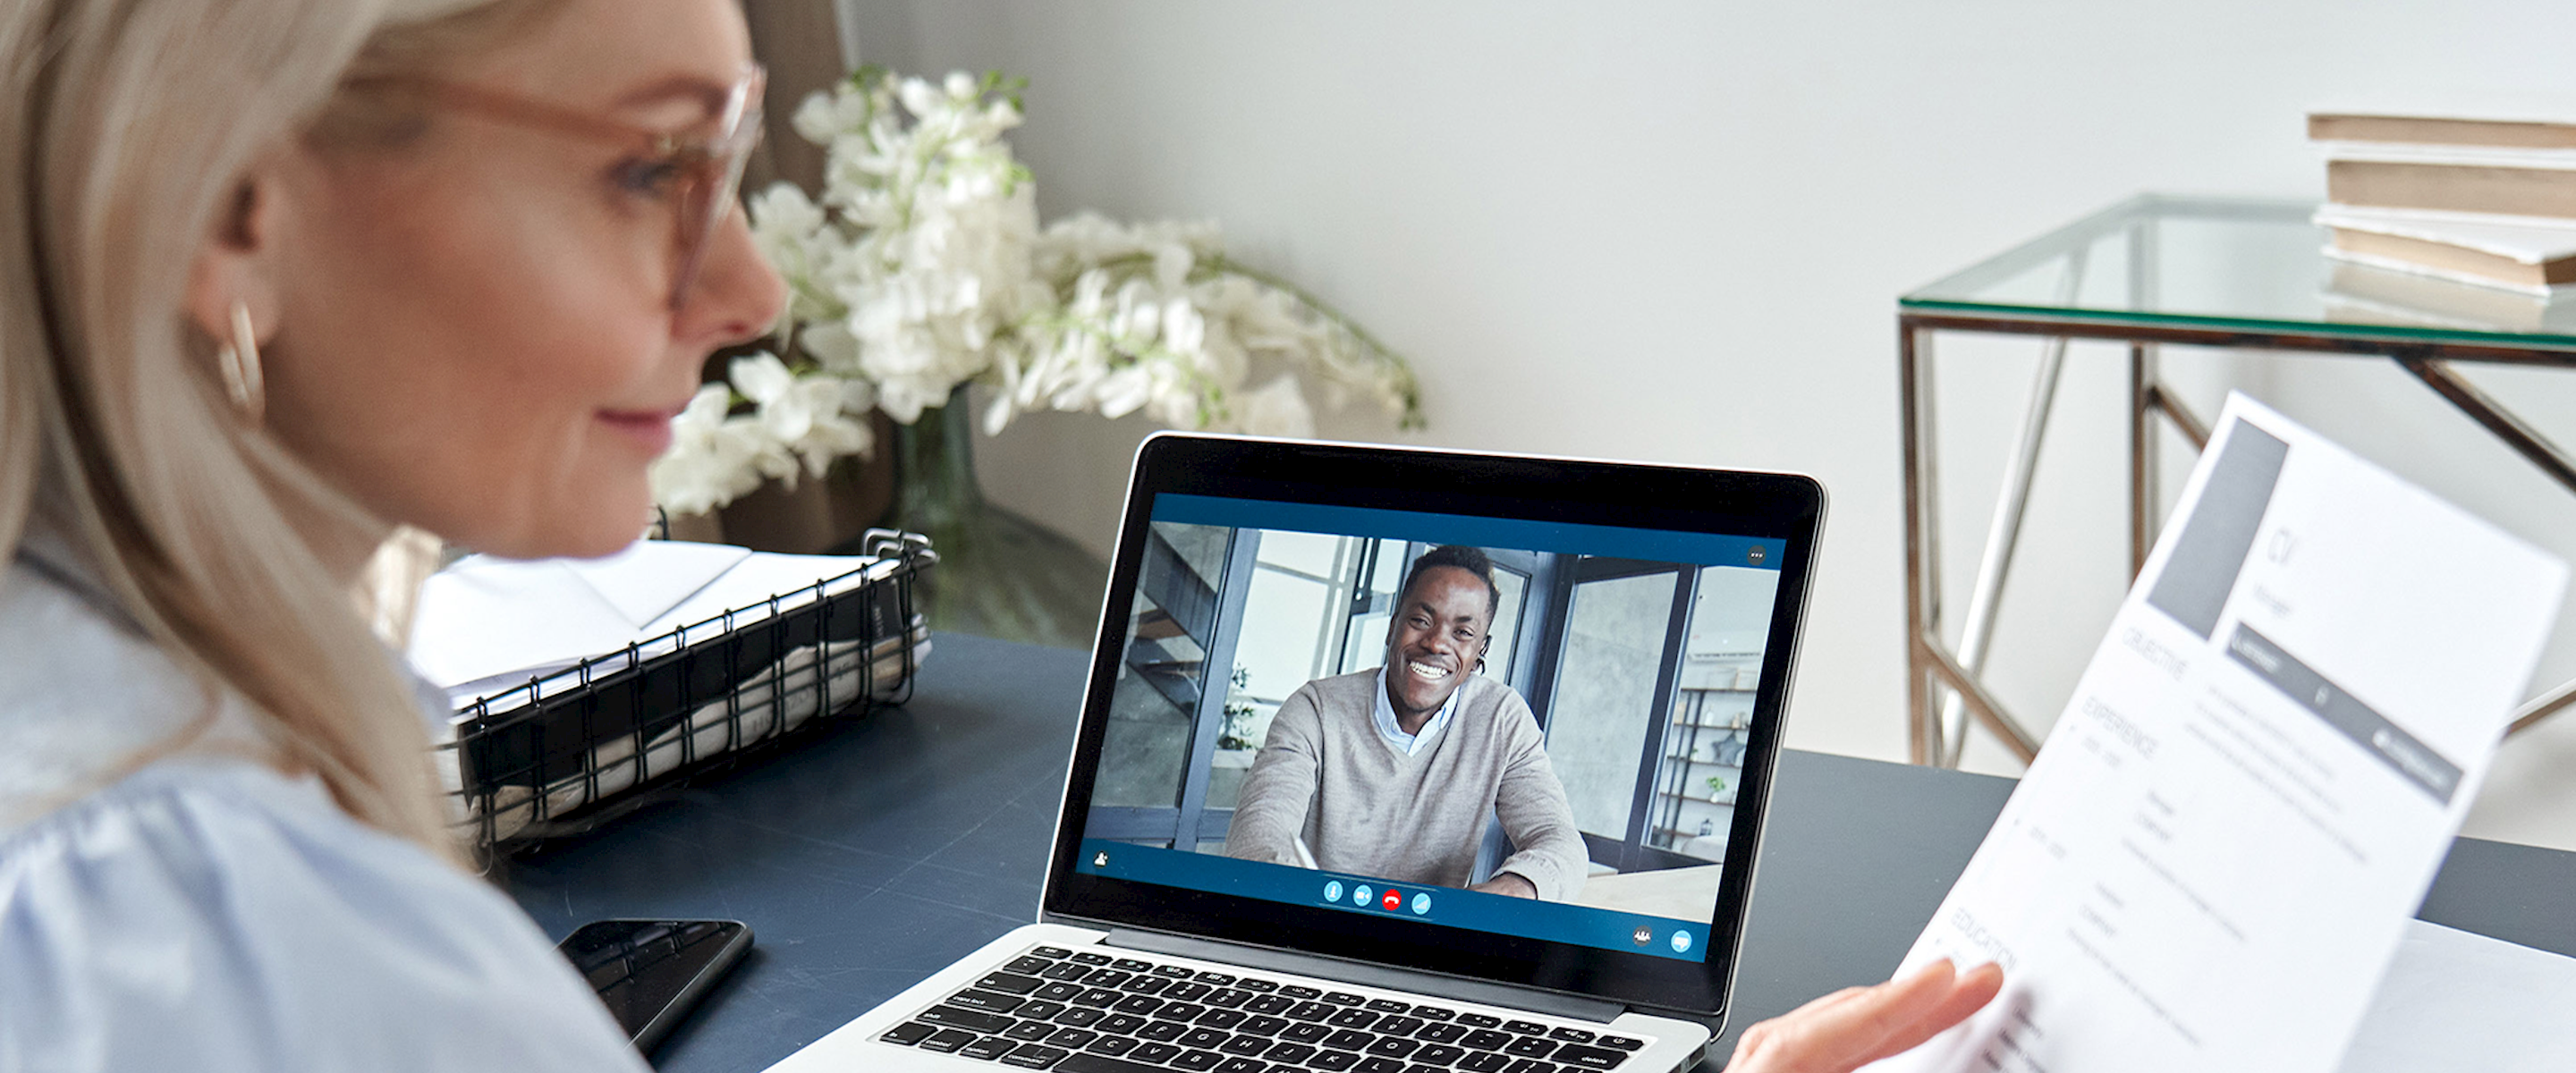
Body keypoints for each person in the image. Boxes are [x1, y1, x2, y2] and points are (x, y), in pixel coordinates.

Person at [0, 0, 1997, 1069]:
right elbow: (1287, 860)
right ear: (233, 196)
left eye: (743, 158)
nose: (758, 288)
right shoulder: (206, 934)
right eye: (651, 168)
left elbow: (1551, 852)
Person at [1226, 545, 1589, 900]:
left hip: (1427, 943)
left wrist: (1516, 887)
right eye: (1421, 621)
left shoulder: (1502, 721)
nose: (1436, 644)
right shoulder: (1315, 709)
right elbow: (1260, 829)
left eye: (1462, 633)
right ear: (1392, 627)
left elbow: (1559, 840)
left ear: (1481, 650)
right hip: (1310, 924)